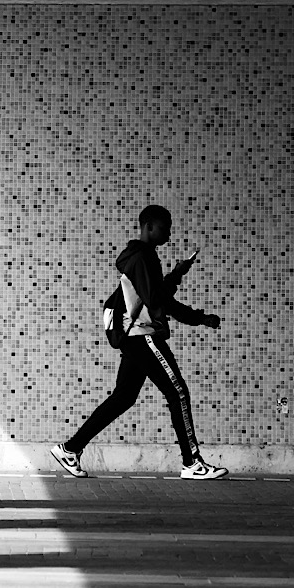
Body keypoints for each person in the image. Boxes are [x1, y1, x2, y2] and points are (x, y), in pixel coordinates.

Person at [50, 205, 229, 480]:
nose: (169, 233)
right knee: (178, 393)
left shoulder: (140, 257)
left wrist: (177, 275)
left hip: (134, 337)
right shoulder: (143, 258)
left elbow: (153, 295)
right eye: (165, 228)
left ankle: (71, 449)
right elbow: (158, 301)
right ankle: (192, 463)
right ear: (148, 227)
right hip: (142, 335)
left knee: (123, 397)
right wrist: (198, 317)